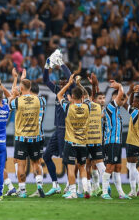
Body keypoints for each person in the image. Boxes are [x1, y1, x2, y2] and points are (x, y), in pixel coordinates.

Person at [42, 50, 75, 196]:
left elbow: (70, 78)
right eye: (60, 83)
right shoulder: (56, 90)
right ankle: (55, 184)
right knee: (46, 156)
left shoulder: (71, 92)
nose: (61, 85)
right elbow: (45, 80)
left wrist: (61, 63)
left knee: (67, 160)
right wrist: (46, 66)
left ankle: (70, 186)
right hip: (58, 130)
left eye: (64, 83)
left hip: (67, 130)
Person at [9, 73, 45, 198]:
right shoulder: (39, 100)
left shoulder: (18, 101)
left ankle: (23, 190)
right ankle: (39, 184)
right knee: (36, 162)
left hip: (21, 137)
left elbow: (9, 106)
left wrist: (13, 95)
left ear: (22, 88)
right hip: (35, 136)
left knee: (21, 165)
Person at [58, 74, 90, 199]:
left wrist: (69, 83)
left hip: (71, 142)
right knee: (82, 166)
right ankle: (86, 189)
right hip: (83, 142)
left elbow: (59, 95)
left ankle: (73, 192)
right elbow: (87, 95)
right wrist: (79, 84)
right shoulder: (87, 106)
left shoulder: (68, 107)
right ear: (82, 97)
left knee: (71, 168)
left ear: (72, 97)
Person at [102, 80, 131, 200]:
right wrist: (119, 86)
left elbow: (124, 99)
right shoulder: (110, 106)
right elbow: (120, 97)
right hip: (111, 141)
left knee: (118, 167)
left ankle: (121, 193)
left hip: (117, 141)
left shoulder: (117, 109)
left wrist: (128, 92)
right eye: (119, 98)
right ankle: (104, 192)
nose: (121, 100)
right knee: (110, 167)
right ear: (114, 98)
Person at [125, 81, 139, 197]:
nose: (132, 103)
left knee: (131, 166)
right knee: (130, 166)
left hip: (132, 141)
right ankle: (133, 190)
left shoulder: (135, 113)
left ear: (138, 104)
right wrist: (134, 93)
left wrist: (130, 91)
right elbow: (130, 103)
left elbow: (125, 103)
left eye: (134, 102)